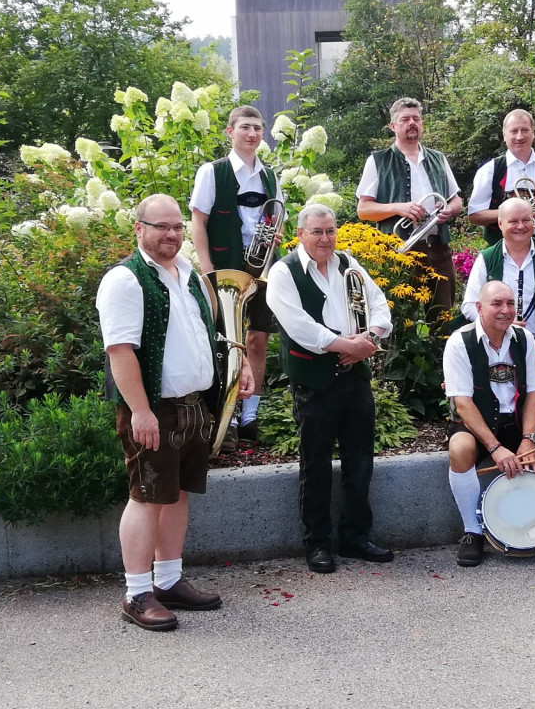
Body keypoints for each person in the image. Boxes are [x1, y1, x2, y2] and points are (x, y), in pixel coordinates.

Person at [97, 194, 254, 631]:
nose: (171, 234)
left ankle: (167, 581)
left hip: (191, 407)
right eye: (160, 226)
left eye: (177, 227)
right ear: (139, 228)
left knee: (178, 494)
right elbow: (120, 351)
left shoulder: (187, 275)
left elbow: (204, 338)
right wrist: (140, 412)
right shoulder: (125, 280)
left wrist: (233, 374)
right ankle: (136, 593)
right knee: (146, 498)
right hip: (154, 410)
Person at [266, 203, 395, 573]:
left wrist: (369, 337)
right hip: (313, 380)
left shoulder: (349, 264)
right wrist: (345, 345)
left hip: (355, 376)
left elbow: (379, 305)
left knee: (360, 462)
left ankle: (355, 537)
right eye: (317, 232)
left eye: (330, 231)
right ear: (301, 234)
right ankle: (317, 543)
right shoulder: (283, 272)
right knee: (316, 465)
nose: (325, 238)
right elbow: (298, 325)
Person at [444, 280, 535, 567]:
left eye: (510, 303)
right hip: (478, 424)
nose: (505, 310)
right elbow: (463, 404)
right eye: (496, 303)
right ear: (479, 308)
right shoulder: (459, 342)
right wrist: (496, 448)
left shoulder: (523, 337)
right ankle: (473, 532)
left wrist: (529, 437)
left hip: (518, 422)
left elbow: (534, 394)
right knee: (459, 449)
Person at [190, 105, 284, 444]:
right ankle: (224, 417)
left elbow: (276, 218)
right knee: (227, 343)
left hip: (262, 271)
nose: (253, 134)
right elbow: (198, 222)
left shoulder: (270, 176)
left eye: (258, 128)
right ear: (230, 132)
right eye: (245, 127)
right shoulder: (212, 172)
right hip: (225, 270)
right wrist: (208, 270)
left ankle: (250, 416)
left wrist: (275, 236)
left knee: (258, 339)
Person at [356, 97, 464, 323]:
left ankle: (441, 358)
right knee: (401, 321)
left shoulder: (438, 158)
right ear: (393, 126)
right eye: (405, 119)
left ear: (422, 124)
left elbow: (457, 201)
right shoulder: (378, 160)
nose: (412, 123)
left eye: (416, 118)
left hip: (438, 249)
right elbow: (363, 210)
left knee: (443, 320)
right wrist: (399, 207)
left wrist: (449, 210)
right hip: (400, 253)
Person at [460, 197, 535, 370]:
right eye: (513, 221)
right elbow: (470, 305)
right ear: (500, 224)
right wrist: (498, 322)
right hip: (497, 344)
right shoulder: (486, 259)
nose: (521, 226)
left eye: (526, 220)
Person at [468, 109, 535, 245]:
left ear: (533, 133)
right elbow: (475, 215)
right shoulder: (490, 170)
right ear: (504, 135)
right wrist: (514, 213)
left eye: (525, 130)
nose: (520, 137)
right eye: (514, 131)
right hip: (500, 246)